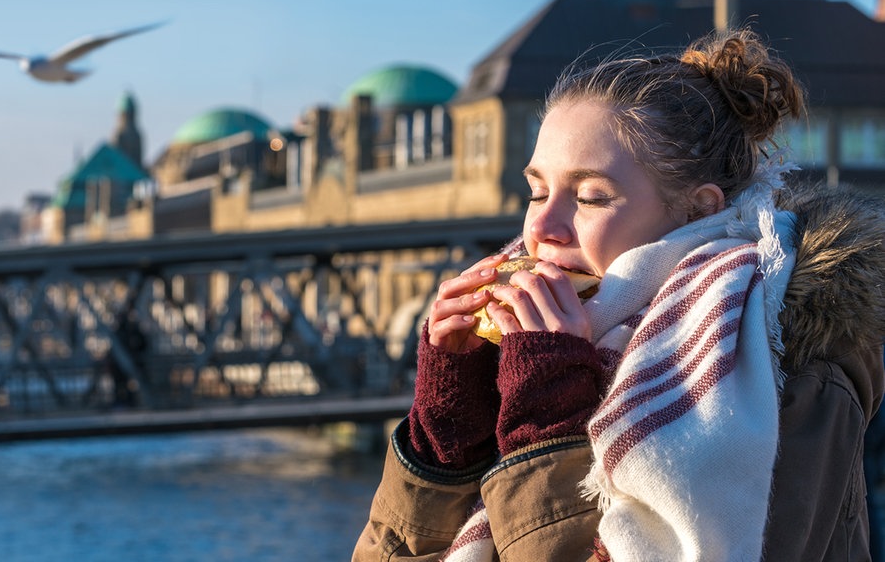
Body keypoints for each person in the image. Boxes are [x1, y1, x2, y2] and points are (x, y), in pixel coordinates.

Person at [354, 28, 885, 561]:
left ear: (698, 209)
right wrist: (448, 431)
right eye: (537, 191)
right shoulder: (526, 349)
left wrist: (548, 418)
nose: (543, 228)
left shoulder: (784, 369)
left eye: (590, 197)